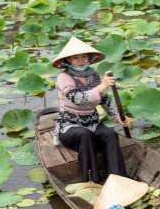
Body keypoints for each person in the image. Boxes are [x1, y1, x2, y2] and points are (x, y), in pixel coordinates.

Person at [51, 37, 130, 184]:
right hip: (69, 127)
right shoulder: (64, 77)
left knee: (111, 135)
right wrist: (102, 86)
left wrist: (116, 116)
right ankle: (92, 181)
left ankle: (117, 180)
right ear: (68, 60)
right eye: (76, 57)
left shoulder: (93, 75)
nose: (80, 60)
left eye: (84, 56)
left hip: (92, 123)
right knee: (84, 134)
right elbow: (78, 99)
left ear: (88, 58)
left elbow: (105, 99)